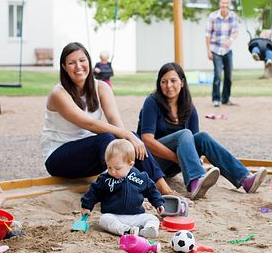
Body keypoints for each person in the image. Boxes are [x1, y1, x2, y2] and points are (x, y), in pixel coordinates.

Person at [41, 42, 178, 197]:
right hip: (58, 159)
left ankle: (164, 189)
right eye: (72, 63)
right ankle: (122, 191)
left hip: (90, 157)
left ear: (89, 62)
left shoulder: (101, 87)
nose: (78, 66)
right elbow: (88, 123)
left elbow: (114, 120)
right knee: (110, 137)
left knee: (127, 139)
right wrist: (126, 135)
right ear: (64, 67)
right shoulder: (58, 94)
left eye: (82, 60)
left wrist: (128, 140)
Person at [138, 62, 267, 200]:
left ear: (182, 82)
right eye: (163, 82)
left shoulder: (189, 108)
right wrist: (178, 158)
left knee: (202, 137)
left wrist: (189, 159)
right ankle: (195, 181)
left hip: (174, 165)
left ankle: (244, 179)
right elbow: (147, 140)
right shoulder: (152, 102)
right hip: (151, 161)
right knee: (185, 134)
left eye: (173, 81)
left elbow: (193, 144)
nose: (168, 85)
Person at [80, 140, 165, 238]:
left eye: (117, 168)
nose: (112, 171)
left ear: (130, 164)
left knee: (152, 218)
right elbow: (94, 191)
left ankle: (149, 230)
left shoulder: (140, 177)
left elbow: (151, 190)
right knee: (103, 220)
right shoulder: (105, 179)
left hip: (136, 216)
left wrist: (158, 203)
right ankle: (126, 230)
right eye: (109, 167)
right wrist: (86, 206)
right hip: (114, 216)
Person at [205, 0, 240, 107]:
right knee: (218, 75)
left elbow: (236, 32)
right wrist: (208, 51)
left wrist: (230, 40)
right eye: (223, 3)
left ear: (229, 4)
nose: (224, 5)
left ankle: (226, 99)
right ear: (220, 3)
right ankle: (216, 99)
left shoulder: (233, 16)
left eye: (227, 3)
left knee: (229, 77)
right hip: (215, 49)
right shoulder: (213, 17)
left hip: (227, 50)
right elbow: (207, 35)